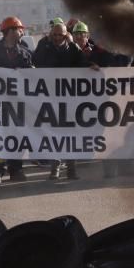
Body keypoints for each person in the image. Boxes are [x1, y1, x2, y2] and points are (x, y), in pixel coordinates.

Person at [72, 21, 134, 178]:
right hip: (104, 101)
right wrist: (89, 65)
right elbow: (82, 63)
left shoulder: (127, 51)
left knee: (124, 133)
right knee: (107, 134)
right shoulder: (98, 52)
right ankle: (109, 169)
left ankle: (126, 167)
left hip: (123, 100)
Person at [33, 22, 89, 180]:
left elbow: (83, 65)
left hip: (70, 99)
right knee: (54, 134)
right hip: (51, 98)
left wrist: (93, 67)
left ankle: (72, 169)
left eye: (60, 35)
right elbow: (35, 62)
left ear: (66, 35)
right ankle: (55, 168)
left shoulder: (73, 49)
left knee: (71, 134)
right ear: (51, 35)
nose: (57, 38)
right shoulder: (45, 47)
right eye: (54, 35)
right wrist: (45, 44)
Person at [0, 16, 34, 184]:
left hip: (17, 103)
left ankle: (16, 169)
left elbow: (33, 76)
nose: (22, 32)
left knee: (16, 135)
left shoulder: (25, 53)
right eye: (19, 29)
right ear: (10, 31)